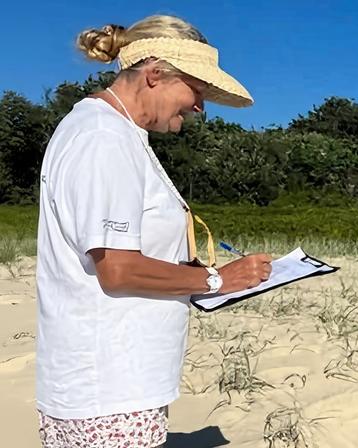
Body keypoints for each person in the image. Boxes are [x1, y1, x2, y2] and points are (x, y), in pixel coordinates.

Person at [35, 15, 272, 447]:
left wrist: (188, 272)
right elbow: (118, 270)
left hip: (112, 384)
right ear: (155, 74)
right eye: (196, 91)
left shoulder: (112, 133)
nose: (200, 107)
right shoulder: (105, 138)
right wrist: (217, 279)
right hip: (108, 391)